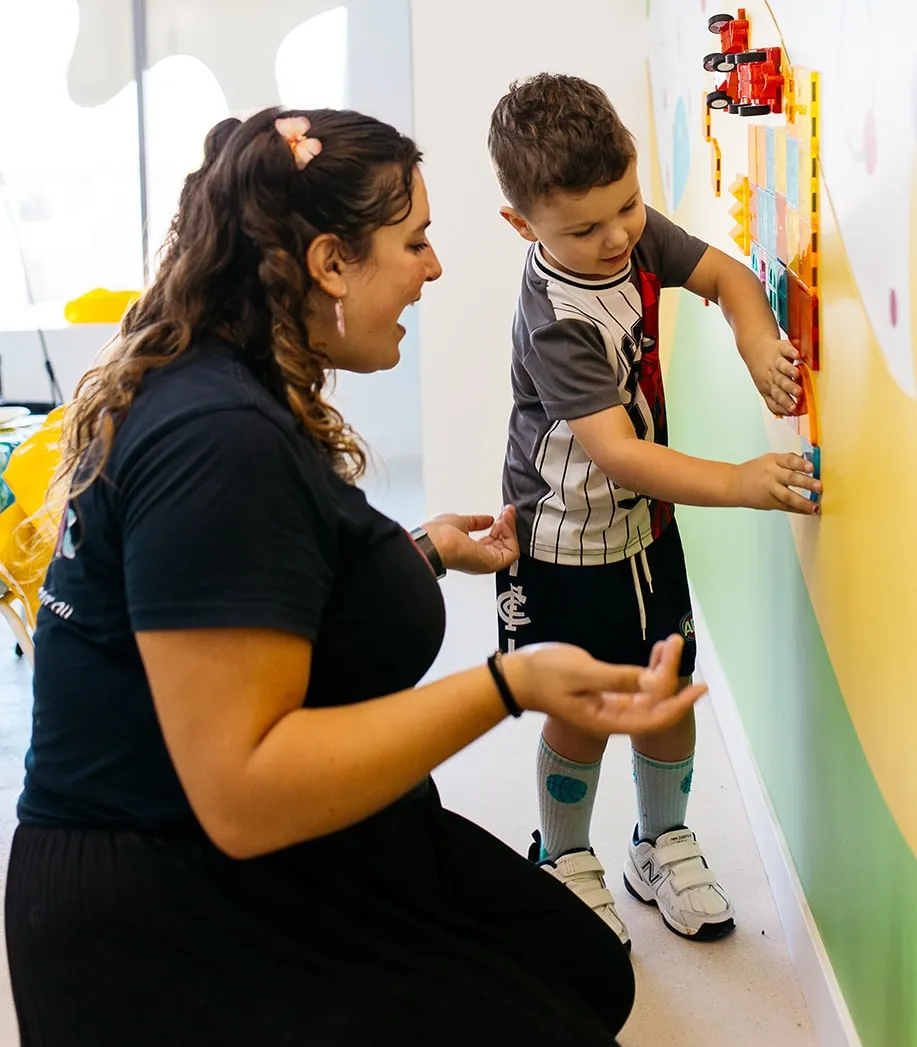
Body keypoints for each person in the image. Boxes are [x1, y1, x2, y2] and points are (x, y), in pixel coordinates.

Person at [4, 107, 707, 1046]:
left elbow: (255, 591)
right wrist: (509, 682)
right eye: (413, 241)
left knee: (577, 962)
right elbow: (245, 793)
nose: (434, 267)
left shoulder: (238, 387)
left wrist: (421, 551)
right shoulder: (218, 440)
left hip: (256, 840)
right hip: (166, 893)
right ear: (331, 262)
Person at [488, 74, 821, 949]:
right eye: (583, 228)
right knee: (586, 705)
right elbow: (617, 452)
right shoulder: (555, 314)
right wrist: (742, 480)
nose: (614, 239)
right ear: (523, 226)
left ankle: (660, 839)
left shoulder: (630, 235)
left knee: (666, 688)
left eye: (627, 208)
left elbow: (720, 273)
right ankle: (561, 856)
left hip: (643, 531)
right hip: (562, 541)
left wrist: (754, 337)